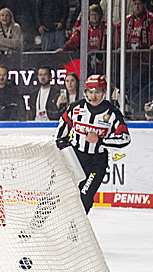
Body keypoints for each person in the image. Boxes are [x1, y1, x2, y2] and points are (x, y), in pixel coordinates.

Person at [56, 74, 131, 212]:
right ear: (85, 92)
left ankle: (74, 231)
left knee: (85, 197)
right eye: (90, 92)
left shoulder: (113, 113)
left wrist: (100, 141)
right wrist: (62, 146)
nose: (93, 96)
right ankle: (35, 225)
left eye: (98, 91)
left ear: (104, 92)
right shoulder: (75, 107)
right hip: (75, 158)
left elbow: (125, 138)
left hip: (97, 162)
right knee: (54, 191)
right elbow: (61, 130)